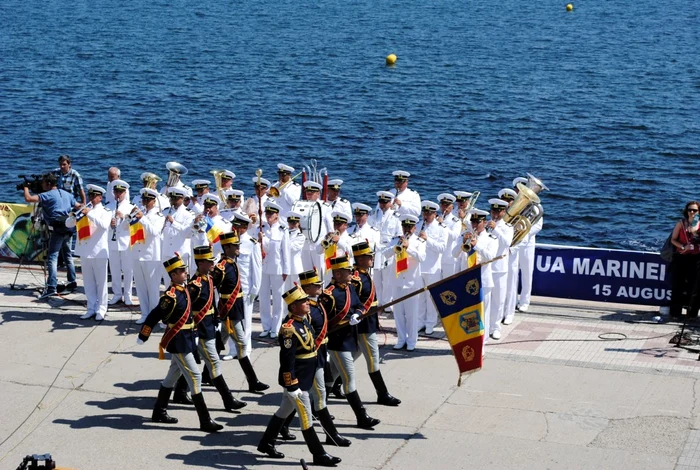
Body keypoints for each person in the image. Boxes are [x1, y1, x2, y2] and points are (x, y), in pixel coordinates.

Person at [136, 253, 223, 433]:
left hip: (187, 339)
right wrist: (144, 334)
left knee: (172, 377)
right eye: (181, 271)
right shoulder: (171, 296)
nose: (185, 273)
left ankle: (159, 411)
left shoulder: (184, 290)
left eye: (184, 270)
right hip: (178, 341)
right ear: (173, 275)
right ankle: (205, 420)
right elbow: (154, 315)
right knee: (196, 377)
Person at [257, 285, 342, 467]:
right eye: (302, 301)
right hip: (296, 382)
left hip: (306, 377)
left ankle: (266, 443)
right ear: (293, 306)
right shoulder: (289, 329)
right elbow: (287, 362)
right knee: (306, 417)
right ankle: (319, 454)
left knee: (283, 411)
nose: (307, 303)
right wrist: (292, 385)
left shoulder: (303, 321)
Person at [319, 255, 381, 429]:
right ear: (337, 274)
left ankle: (318, 407)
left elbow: (358, 305)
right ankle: (362, 417)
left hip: (350, 338)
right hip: (338, 343)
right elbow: (321, 320)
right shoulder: (329, 294)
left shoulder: (349, 288)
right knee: (349, 379)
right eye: (347, 272)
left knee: (330, 375)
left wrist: (358, 314)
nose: (350, 274)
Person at [189, 245, 247, 410]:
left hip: (209, 326)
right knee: (214, 363)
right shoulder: (196, 284)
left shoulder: (207, 278)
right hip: (200, 329)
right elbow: (186, 308)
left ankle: (176, 394)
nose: (213, 264)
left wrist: (216, 319)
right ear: (200, 264)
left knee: (177, 369)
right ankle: (228, 400)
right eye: (209, 262)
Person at [299, 268, 351, 446]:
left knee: (292, 402)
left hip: (319, 354)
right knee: (317, 396)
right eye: (315, 285)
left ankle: (272, 435)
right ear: (306, 289)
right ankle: (332, 435)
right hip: (309, 358)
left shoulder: (316, 304)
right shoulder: (304, 311)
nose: (320, 286)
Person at [213, 231, 269, 392]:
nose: (238, 248)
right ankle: (253, 381)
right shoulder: (221, 267)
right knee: (241, 345)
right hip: (228, 311)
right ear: (227, 247)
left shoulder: (232, 263)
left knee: (218, 344)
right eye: (235, 245)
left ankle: (204, 375)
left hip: (234, 309)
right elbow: (210, 288)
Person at [350, 241, 401, 406]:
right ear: (360, 258)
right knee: (373, 359)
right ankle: (382, 394)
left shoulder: (363, 274)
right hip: (364, 325)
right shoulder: (356, 278)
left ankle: (331, 384)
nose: (371, 258)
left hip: (368, 321)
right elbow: (353, 302)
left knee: (349, 358)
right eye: (367, 256)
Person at [23, 172, 78, 298]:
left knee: (52, 257)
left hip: (57, 229)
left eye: (43, 183)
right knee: (68, 255)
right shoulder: (67, 194)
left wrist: (26, 187)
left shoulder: (47, 195)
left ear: (48, 184)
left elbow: (29, 198)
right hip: (68, 228)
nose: (41, 185)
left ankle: (51, 287)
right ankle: (72, 282)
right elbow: (78, 205)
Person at [380, 215, 426, 350]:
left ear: (415, 228)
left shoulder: (419, 241)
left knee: (412, 314)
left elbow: (421, 257)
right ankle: (401, 339)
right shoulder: (395, 240)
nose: (407, 229)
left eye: (410, 227)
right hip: (397, 281)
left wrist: (409, 247)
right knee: (398, 313)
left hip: (412, 282)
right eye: (405, 226)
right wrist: (396, 247)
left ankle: (412, 341)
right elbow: (385, 253)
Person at [453, 209, 497, 342]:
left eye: (477, 222)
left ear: (484, 222)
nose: (474, 225)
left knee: (483, 312)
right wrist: (462, 242)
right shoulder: (465, 235)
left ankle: (483, 341)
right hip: (467, 280)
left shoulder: (491, 239)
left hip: (483, 280)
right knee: (468, 312)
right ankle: (470, 337)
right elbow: (454, 254)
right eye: (473, 222)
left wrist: (476, 245)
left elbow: (491, 257)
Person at [73, 185, 112, 320]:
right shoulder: (85, 210)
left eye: (94, 196)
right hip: (85, 251)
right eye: (90, 196)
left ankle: (101, 309)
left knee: (101, 283)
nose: (91, 198)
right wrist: (75, 214)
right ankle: (91, 308)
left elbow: (104, 225)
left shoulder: (105, 211)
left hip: (99, 252)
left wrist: (88, 213)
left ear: (100, 197)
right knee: (88, 282)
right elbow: (68, 224)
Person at [132, 188, 166, 324]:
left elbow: (154, 232)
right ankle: (144, 313)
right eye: (143, 200)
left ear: (154, 201)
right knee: (140, 287)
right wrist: (128, 218)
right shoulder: (139, 214)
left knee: (153, 288)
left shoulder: (159, 216)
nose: (145, 202)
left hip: (151, 256)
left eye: (147, 200)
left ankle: (154, 315)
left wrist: (142, 218)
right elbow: (123, 228)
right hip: (137, 254)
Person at [231, 213, 262, 358]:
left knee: (246, 320)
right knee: (232, 320)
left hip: (245, 287)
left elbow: (256, 269)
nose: (234, 229)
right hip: (231, 288)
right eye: (234, 226)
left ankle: (246, 349)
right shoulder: (230, 242)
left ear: (244, 227)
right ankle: (233, 350)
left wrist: (255, 289)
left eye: (237, 226)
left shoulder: (252, 243)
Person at [257, 201, 290, 339]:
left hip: (277, 268)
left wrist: (286, 270)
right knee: (263, 298)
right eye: (267, 213)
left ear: (277, 215)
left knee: (278, 299)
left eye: (271, 213)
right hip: (263, 268)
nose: (269, 215)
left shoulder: (283, 229)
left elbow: (285, 251)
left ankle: (276, 328)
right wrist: (260, 238)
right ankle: (266, 326)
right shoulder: (262, 228)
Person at [513, 177, 543, 313]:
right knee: (512, 273)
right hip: (513, 242)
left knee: (526, 273)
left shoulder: (536, 206)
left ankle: (524, 301)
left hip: (526, 243)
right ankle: (512, 300)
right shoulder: (512, 203)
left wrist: (524, 233)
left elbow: (538, 225)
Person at [417, 201, 447, 335]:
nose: (426, 216)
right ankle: (420, 321)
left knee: (431, 297)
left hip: (433, 268)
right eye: (425, 213)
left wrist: (427, 239)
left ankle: (430, 322)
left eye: (429, 213)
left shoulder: (441, 228)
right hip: (419, 266)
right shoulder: (418, 225)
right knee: (420, 297)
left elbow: (442, 248)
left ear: (435, 214)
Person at [369, 191, 402, 311]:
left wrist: (392, 249)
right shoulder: (373, 214)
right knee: (376, 276)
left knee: (388, 278)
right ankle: (378, 302)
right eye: (381, 202)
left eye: (385, 202)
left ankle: (387, 303)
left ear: (390, 203)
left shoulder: (396, 216)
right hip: (376, 249)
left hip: (389, 248)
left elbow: (399, 235)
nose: (383, 204)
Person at [487, 198, 514, 340]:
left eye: (498, 211)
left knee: (498, 299)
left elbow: (507, 242)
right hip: (487, 267)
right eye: (493, 211)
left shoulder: (508, 227)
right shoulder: (486, 226)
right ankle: (486, 326)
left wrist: (495, 228)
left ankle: (496, 327)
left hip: (500, 268)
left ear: (504, 212)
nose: (495, 214)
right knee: (486, 300)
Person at [107, 180, 135, 305]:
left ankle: (128, 295)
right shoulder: (108, 207)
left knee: (128, 270)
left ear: (125, 192)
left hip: (126, 242)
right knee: (114, 269)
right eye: (116, 191)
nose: (118, 194)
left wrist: (123, 217)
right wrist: (110, 224)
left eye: (121, 192)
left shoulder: (130, 207)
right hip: (112, 242)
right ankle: (117, 294)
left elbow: (134, 226)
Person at [670, 201, 700, 319]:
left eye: (694, 210)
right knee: (678, 285)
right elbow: (673, 239)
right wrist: (683, 247)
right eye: (689, 210)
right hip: (681, 257)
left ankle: (692, 313)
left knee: (695, 287)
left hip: (696, 258)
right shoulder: (681, 223)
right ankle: (675, 313)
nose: (692, 212)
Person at [161, 187, 195, 273]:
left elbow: (187, 234)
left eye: (176, 198)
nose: (173, 201)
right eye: (172, 198)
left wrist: (173, 222)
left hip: (181, 253)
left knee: (182, 282)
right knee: (168, 282)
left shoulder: (188, 213)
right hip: (167, 252)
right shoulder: (165, 212)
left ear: (182, 198)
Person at [499, 188, 519, 325]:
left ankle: (509, 313)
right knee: (499, 287)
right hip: (499, 254)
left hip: (511, 253)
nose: (507, 203)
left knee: (511, 284)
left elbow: (524, 234)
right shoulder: (498, 215)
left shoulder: (519, 215)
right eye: (504, 201)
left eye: (509, 201)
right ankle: (499, 314)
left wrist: (513, 248)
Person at [437, 193, 462, 278]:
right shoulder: (435, 219)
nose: (445, 208)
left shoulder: (456, 221)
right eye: (443, 205)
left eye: (447, 206)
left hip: (449, 258)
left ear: (452, 207)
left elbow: (454, 236)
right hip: (437, 258)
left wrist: (443, 225)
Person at [285, 210, 306, 290]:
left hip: (295, 268)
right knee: (285, 292)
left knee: (296, 291)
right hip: (285, 268)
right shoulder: (284, 233)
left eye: (294, 223)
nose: (292, 225)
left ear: (298, 223)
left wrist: (282, 243)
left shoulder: (301, 236)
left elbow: (292, 248)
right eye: (290, 222)